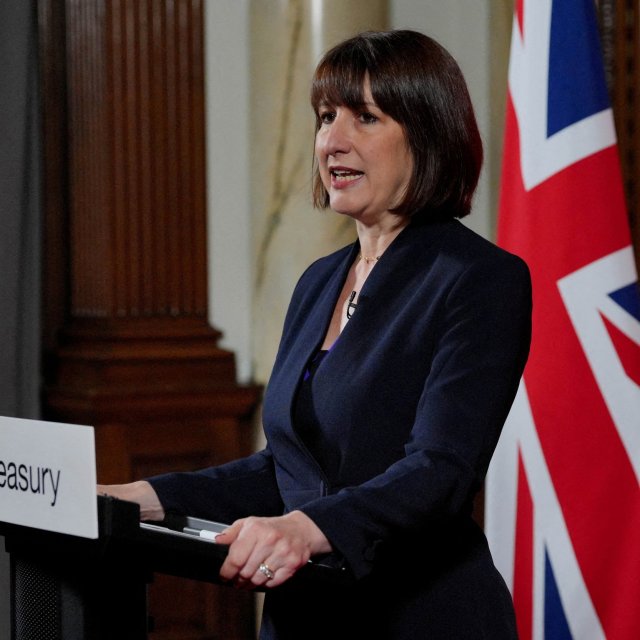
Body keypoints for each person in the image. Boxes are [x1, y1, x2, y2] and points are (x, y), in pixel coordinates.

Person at [100, 29, 531, 639]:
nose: (332, 140)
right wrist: (141, 497)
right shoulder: (319, 281)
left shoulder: (481, 279)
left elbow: (441, 468)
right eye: (326, 117)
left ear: (428, 133)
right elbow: (287, 468)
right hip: (305, 617)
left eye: (365, 117)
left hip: (420, 616)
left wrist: (305, 528)